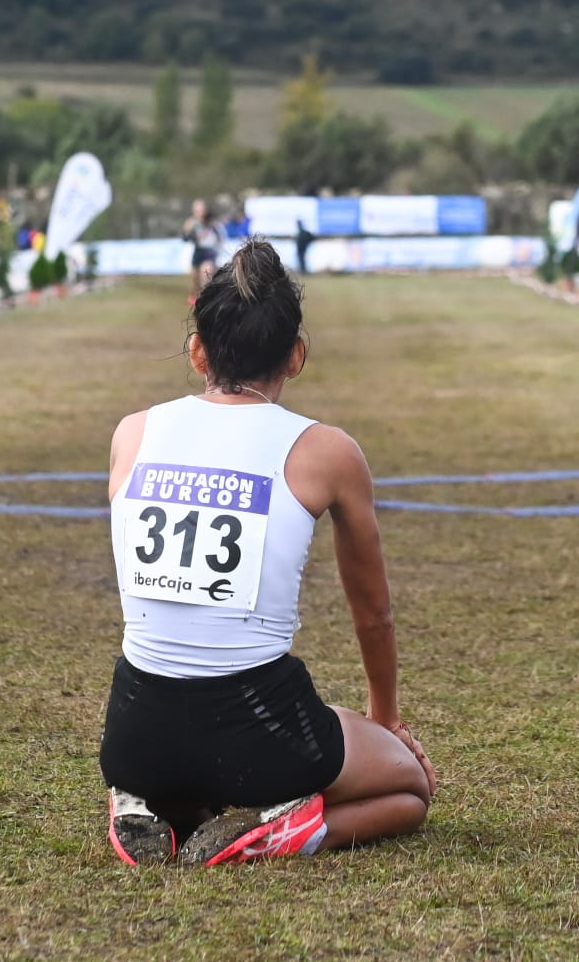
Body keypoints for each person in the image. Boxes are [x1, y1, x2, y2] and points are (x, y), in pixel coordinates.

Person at [100, 239, 435, 867]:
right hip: (256, 727)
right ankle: (283, 832)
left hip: (134, 732)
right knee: (411, 791)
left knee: (256, 727)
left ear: (198, 350)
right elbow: (373, 614)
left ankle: (144, 805)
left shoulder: (132, 432)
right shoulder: (327, 450)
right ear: (297, 354)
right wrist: (385, 720)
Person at [183, 199, 223, 296]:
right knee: (195, 281)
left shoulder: (212, 221)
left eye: (202, 209)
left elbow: (220, 237)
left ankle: (206, 299)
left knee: (205, 276)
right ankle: (195, 297)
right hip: (198, 252)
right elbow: (185, 238)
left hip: (210, 252)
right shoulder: (191, 222)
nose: (200, 212)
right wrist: (191, 233)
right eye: (198, 210)